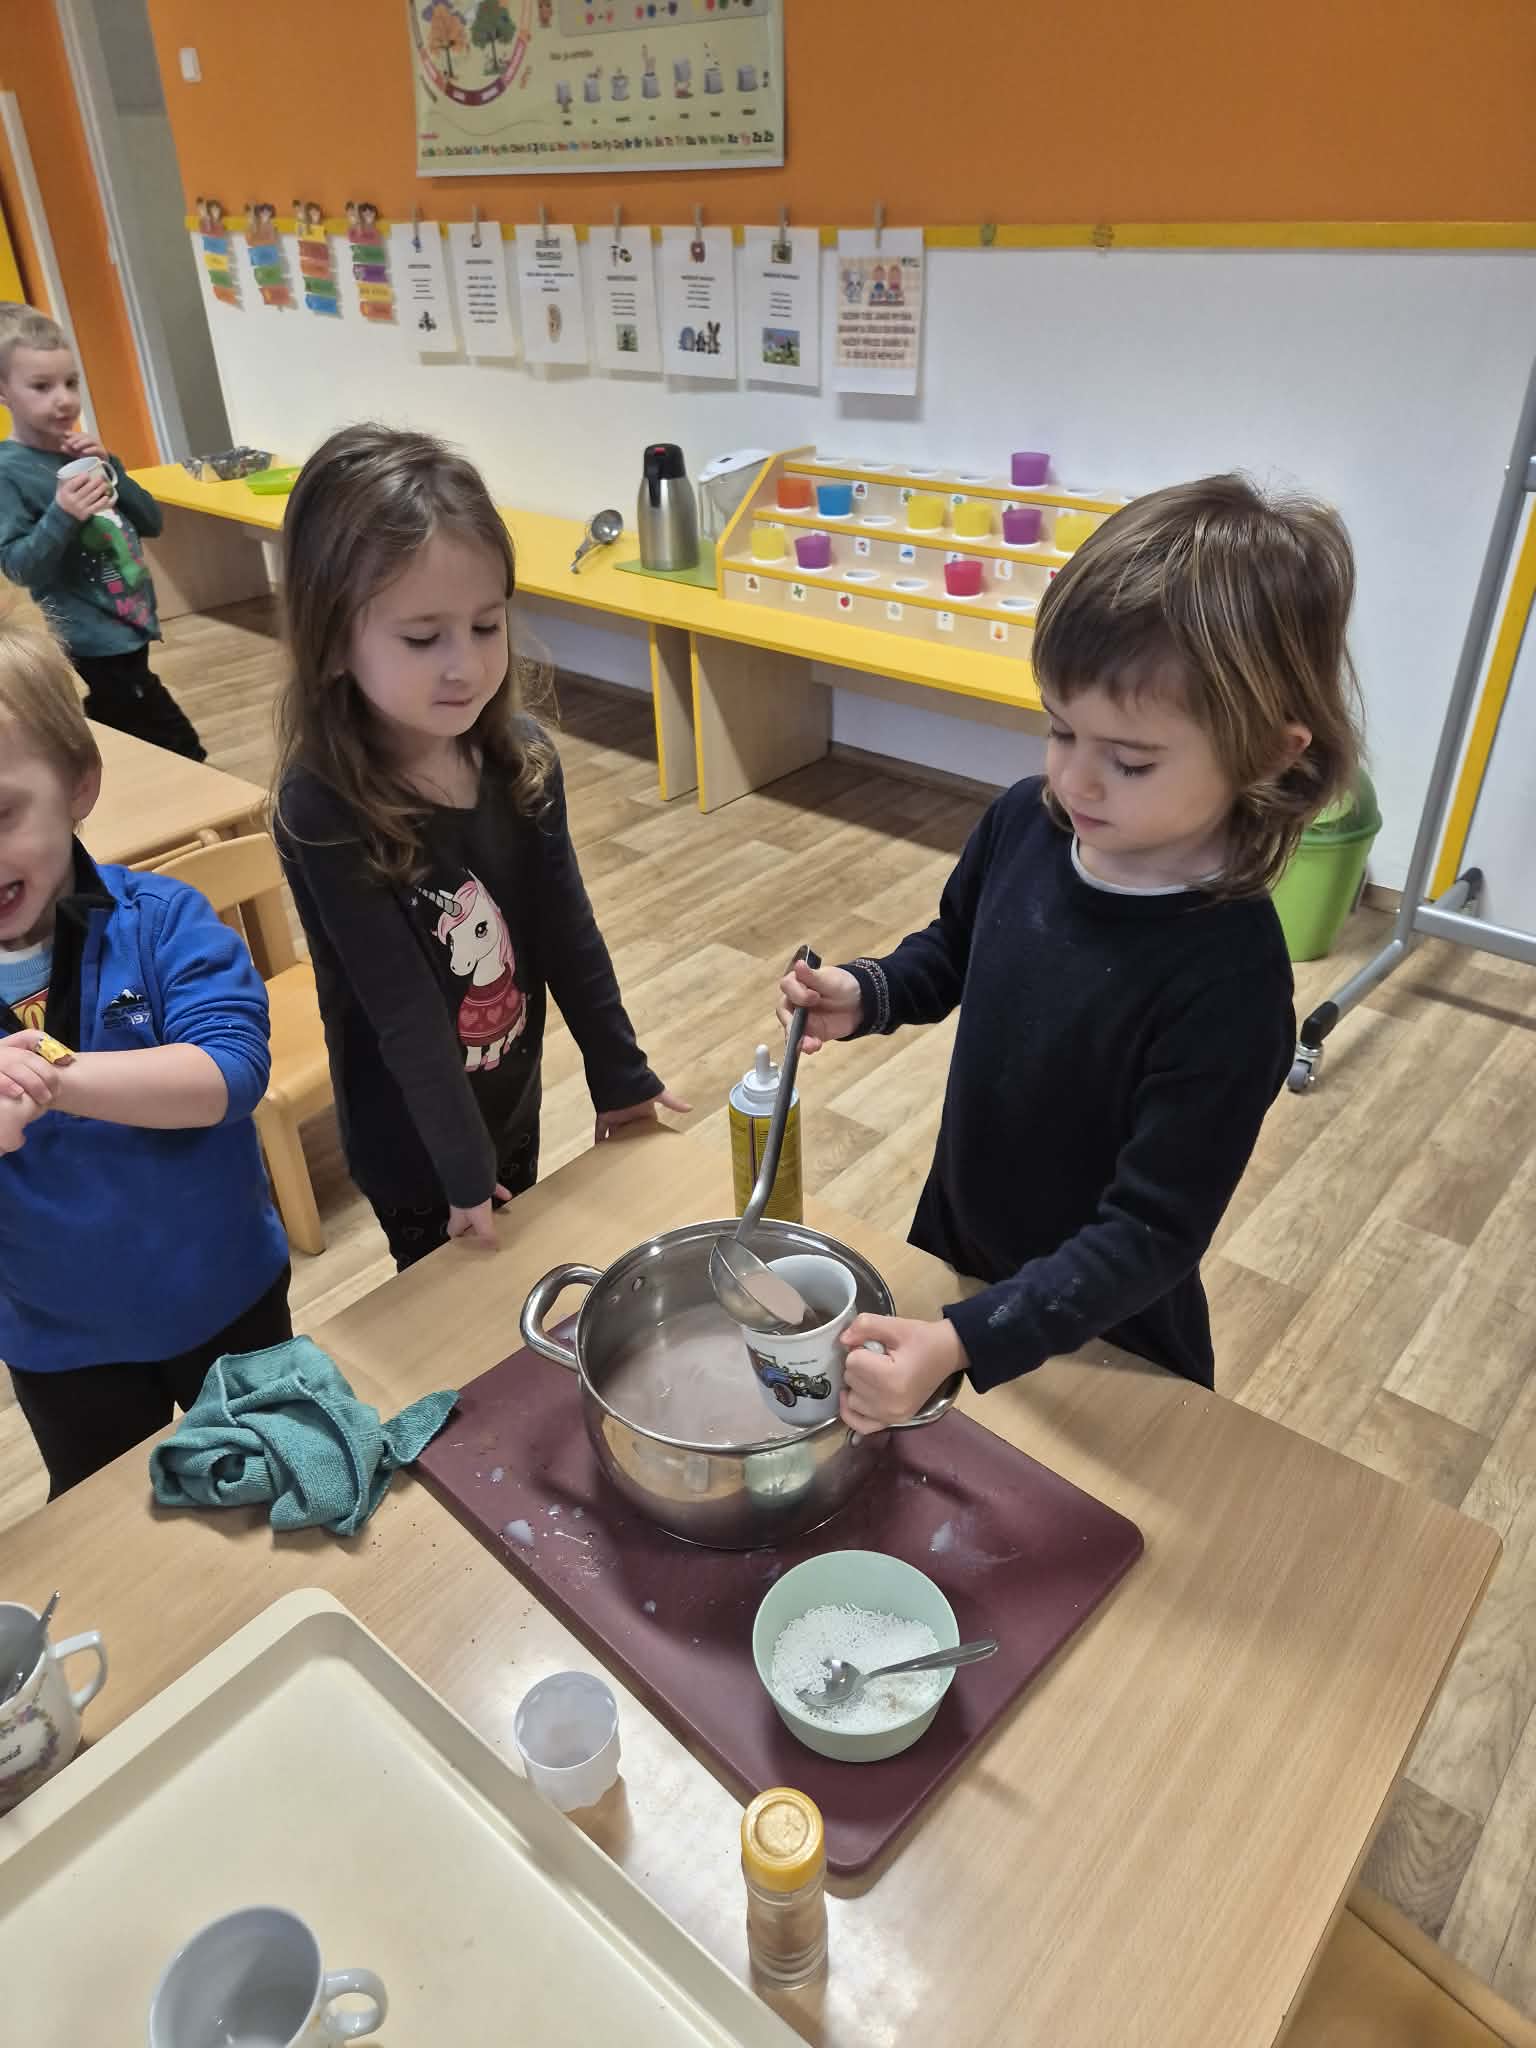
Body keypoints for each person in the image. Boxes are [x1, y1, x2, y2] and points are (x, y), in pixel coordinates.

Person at [778, 474, 1363, 1432]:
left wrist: (967, 1341)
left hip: (1107, 1333)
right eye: (1059, 729)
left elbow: (1150, 1234)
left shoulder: (1232, 983)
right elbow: (955, 947)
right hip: (959, 1248)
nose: (1074, 780)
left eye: (1129, 760)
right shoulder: (1026, 822)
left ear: (1268, 753)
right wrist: (868, 991)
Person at [273, 423, 687, 1270]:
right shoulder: (321, 808)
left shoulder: (520, 759)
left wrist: (620, 1076)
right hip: (415, 1145)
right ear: (333, 641)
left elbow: (569, 933)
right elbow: (404, 1013)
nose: (464, 664)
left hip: (509, 1095)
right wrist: (463, 1173)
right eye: (423, 638)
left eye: (488, 625)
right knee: (454, 1307)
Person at [0, 581, 290, 1497]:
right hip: (61, 1345)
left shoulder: (163, 920)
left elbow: (230, 1073)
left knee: (268, 1491)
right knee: (111, 1530)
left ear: (79, 786)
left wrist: (53, 1078)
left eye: (0, 814)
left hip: (229, 1300)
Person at [0, 309, 204, 759]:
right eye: (42, 386)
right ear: (4, 392)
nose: (64, 400)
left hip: (131, 619)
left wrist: (113, 467)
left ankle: (92, 764)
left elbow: (151, 522)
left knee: (122, 724)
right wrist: (63, 514)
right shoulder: (8, 472)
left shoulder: (85, 456)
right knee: (179, 743)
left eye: (71, 382)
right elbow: (19, 567)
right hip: (91, 635)